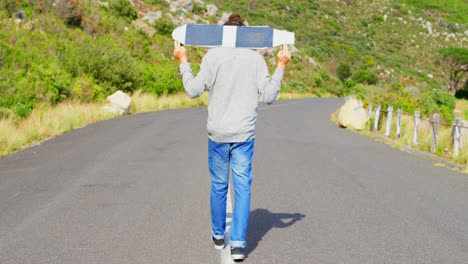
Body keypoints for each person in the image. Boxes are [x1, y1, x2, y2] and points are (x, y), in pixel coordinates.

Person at [173, 14, 291, 261]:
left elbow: (193, 90)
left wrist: (183, 60)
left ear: (223, 33)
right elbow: (268, 96)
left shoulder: (212, 56)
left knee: (218, 185)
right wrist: (281, 65)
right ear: (245, 34)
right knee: (242, 187)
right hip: (244, 136)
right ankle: (237, 244)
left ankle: (218, 236)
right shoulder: (256, 60)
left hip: (217, 134)